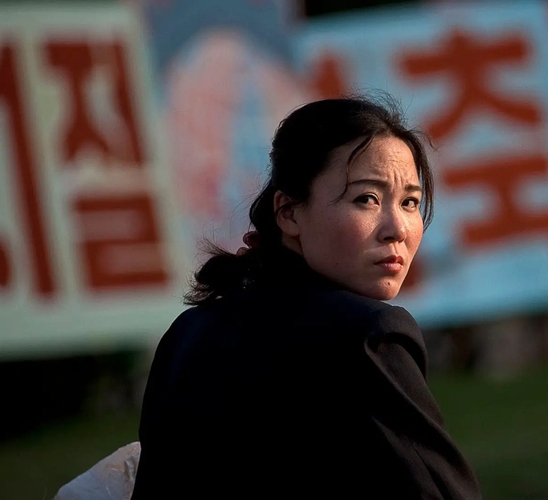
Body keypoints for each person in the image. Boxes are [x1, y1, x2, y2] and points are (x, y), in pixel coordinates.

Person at [130, 96, 482, 499]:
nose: (397, 228)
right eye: (366, 198)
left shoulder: (188, 332)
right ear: (289, 212)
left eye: (410, 202)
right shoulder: (368, 335)